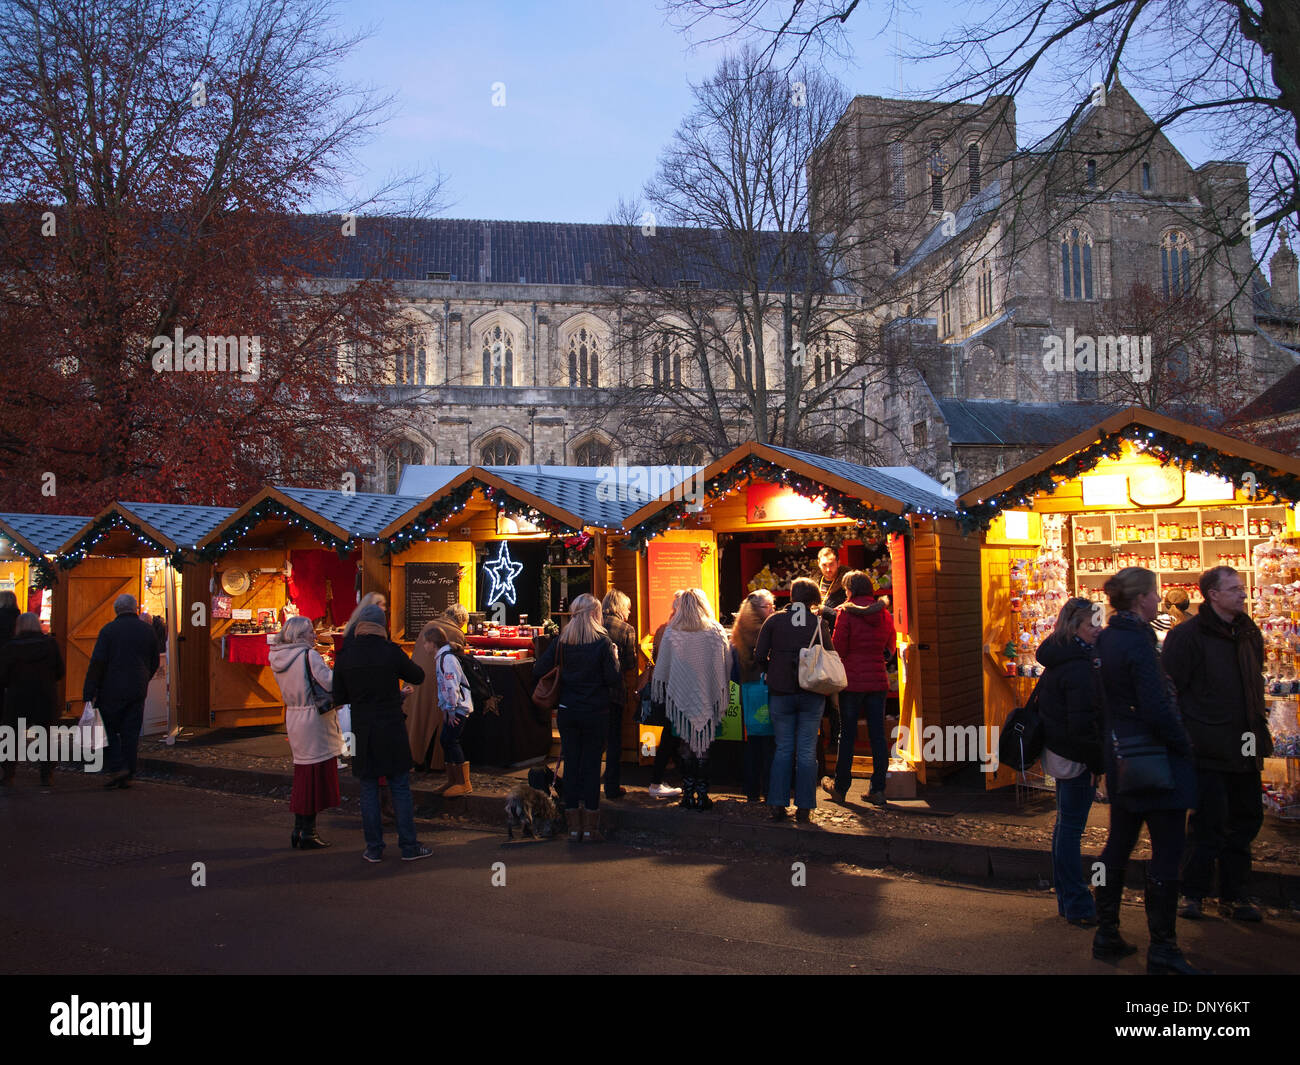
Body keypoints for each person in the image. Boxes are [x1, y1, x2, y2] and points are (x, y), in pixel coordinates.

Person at [1093, 567, 1200, 974]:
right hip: (1152, 758)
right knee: (1167, 853)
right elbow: (1156, 707)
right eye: (1154, 595)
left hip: (1122, 756)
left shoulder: (1106, 639)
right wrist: (1181, 743)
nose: (1159, 600)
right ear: (1141, 600)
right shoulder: (1138, 643)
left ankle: (1106, 931)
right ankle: (1164, 948)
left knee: (1116, 848)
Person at [1163, 566, 1271, 923]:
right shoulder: (1189, 635)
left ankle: (1235, 895)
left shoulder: (1247, 631)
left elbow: (1255, 677)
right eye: (1235, 588)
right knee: (1208, 822)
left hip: (1245, 740)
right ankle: (1192, 893)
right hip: (1207, 743)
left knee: (1245, 820)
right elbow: (1172, 688)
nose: (1242, 593)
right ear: (1213, 595)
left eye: (1242, 587)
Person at [331, 603, 432, 862]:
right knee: (399, 785)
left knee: (367, 788)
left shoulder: (346, 655)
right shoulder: (389, 651)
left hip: (363, 728)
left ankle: (373, 848)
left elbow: (340, 695)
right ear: (381, 625)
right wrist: (393, 693)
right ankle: (409, 846)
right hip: (391, 725)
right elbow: (417, 675)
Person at [1035, 597, 1105, 927]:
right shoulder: (1079, 665)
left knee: (1066, 826)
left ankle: (1068, 897)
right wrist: (1096, 763)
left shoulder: (1061, 657)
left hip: (1062, 752)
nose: (1098, 629)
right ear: (1075, 627)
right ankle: (1076, 901)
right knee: (1071, 828)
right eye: (1092, 624)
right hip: (1076, 757)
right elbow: (1082, 723)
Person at [533, 593, 620, 841]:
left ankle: (573, 827)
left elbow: (539, 669)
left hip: (568, 710)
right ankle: (591, 827)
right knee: (592, 766)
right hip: (596, 711)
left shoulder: (562, 641)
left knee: (572, 764)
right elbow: (613, 680)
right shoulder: (603, 643)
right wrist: (613, 657)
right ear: (596, 613)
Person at [755, 577, 831, 822]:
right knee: (807, 751)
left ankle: (777, 803)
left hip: (781, 692)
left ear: (792, 596)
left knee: (784, 748)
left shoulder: (774, 620)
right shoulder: (819, 624)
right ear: (813, 600)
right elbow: (829, 655)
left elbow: (758, 656)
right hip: (811, 693)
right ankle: (805, 807)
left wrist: (773, 668)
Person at [653, 588, 730, 810]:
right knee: (705, 747)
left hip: (681, 698)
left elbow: (663, 668)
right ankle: (703, 795)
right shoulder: (715, 630)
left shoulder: (672, 631)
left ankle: (688, 795)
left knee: (686, 746)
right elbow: (726, 664)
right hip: (708, 695)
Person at [269, 616, 342, 849]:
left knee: (304, 772)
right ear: (300, 636)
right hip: (313, 718)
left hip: (294, 715)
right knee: (314, 775)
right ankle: (308, 831)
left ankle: (300, 828)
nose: (314, 635)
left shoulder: (278, 657)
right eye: (310, 632)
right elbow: (329, 683)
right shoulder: (308, 656)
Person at [825, 570, 896, 807]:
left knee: (847, 734)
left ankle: (841, 786)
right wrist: (879, 659)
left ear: (851, 590)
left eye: (846, 588)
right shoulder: (884, 613)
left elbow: (838, 648)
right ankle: (877, 789)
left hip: (852, 681)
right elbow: (890, 646)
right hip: (877, 681)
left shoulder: (844, 613)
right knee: (878, 735)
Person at [82, 593, 159, 789]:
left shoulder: (108, 630)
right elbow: (155, 660)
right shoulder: (147, 631)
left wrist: (89, 691)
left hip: (111, 688)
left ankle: (117, 766)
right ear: (135, 609)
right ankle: (129, 771)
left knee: (106, 730)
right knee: (130, 732)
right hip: (137, 688)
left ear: (117, 610)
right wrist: (144, 677)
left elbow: (97, 662)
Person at [0, 612, 64, 789]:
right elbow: (60, 671)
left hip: (17, 696)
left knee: (11, 736)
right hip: (45, 695)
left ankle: (8, 773)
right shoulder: (50, 645)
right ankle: (46, 774)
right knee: (45, 735)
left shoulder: (10, 648)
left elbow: (2, 676)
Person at [732, 589, 776, 803]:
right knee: (769, 743)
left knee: (753, 742)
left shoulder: (740, 628)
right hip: (764, 688)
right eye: (768, 606)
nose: (772, 610)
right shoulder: (763, 631)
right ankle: (768, 790)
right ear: (756, 609)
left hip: (748, 689)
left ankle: (751, 790)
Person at [644, 592, 684, 799]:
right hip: (673, 690)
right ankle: (659, 779)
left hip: (665, 690)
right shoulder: (674, 630)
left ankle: (665, 777)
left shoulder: (663, 629)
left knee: (670, 736)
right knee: (671, 736)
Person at [429, 621, 474, 798]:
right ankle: (453, 779)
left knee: (451, 740)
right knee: (446, 740)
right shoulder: (443, 658)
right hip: (452, 708)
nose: (424, 646)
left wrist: (451, 708)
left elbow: (451, 684)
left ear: (432, 643)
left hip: (458, 708)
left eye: (425, 642)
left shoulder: (446, 659)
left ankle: (463, 782)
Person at [602, 589, 638, 800]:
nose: (629, 612)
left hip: (591, 692)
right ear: (620, 607)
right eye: (628, 608)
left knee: (594, 741)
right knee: (614, 740)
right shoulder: (626, 629)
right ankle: (612, 787)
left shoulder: (592, 623)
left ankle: (582, 783)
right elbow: (630, 664)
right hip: (614, 692)